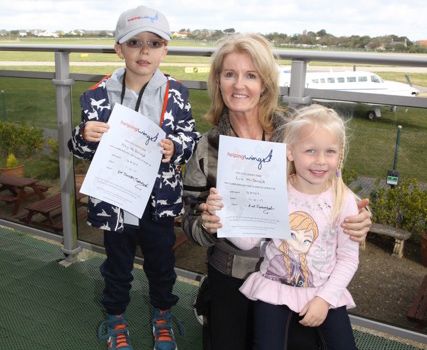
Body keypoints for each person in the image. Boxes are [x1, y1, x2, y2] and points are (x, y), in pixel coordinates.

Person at [181, 33, 371, 350]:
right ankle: (210, 301)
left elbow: (331, 187)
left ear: (265, 83)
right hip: (233, 271)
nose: (239, 85)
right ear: (218, 82)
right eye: (230, 74)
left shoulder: (295, 131)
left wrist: (358, 218)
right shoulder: (206, 148)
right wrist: (206, 224)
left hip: (300, 273)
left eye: (251, 75)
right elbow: (189, 220)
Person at [68, 5, 199, 350]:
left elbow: (191, 138)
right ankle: (116, 318)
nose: (144, 51)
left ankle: (162, 315)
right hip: (115, 201)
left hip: (158, 204)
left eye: (154, 44)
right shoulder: (97, 96)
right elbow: (78, 148)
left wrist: (176, 148)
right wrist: (84, 135)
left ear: (165, 49)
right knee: (117, 266)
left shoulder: (177, 94)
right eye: (135, 42)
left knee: (162, 264)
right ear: (119, 47)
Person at [206, 104, 360, 349]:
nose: (320, 161)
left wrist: (324, 299)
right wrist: (221, 217)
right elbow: (249, 241)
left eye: (330, 152)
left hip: (326, 293)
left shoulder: (345, 200)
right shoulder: (275, 190)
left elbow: (349, 259)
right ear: (290, 152)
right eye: (310, 150)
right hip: (274, 290)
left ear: (340, 155)